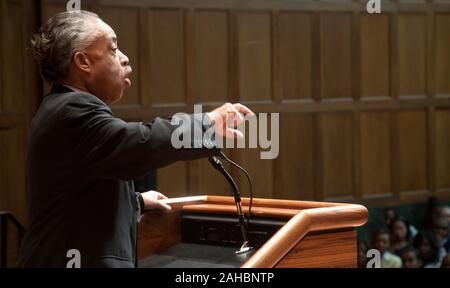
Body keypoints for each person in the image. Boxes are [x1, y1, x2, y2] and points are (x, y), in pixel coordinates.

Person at [18, 11, 254, 268]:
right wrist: (207, 121)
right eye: (113, 48)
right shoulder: (73, 110)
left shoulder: (60, 107)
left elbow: (78, 193)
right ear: (83, 62)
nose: (124, 57)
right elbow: (142, 143)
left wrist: (136, 202)